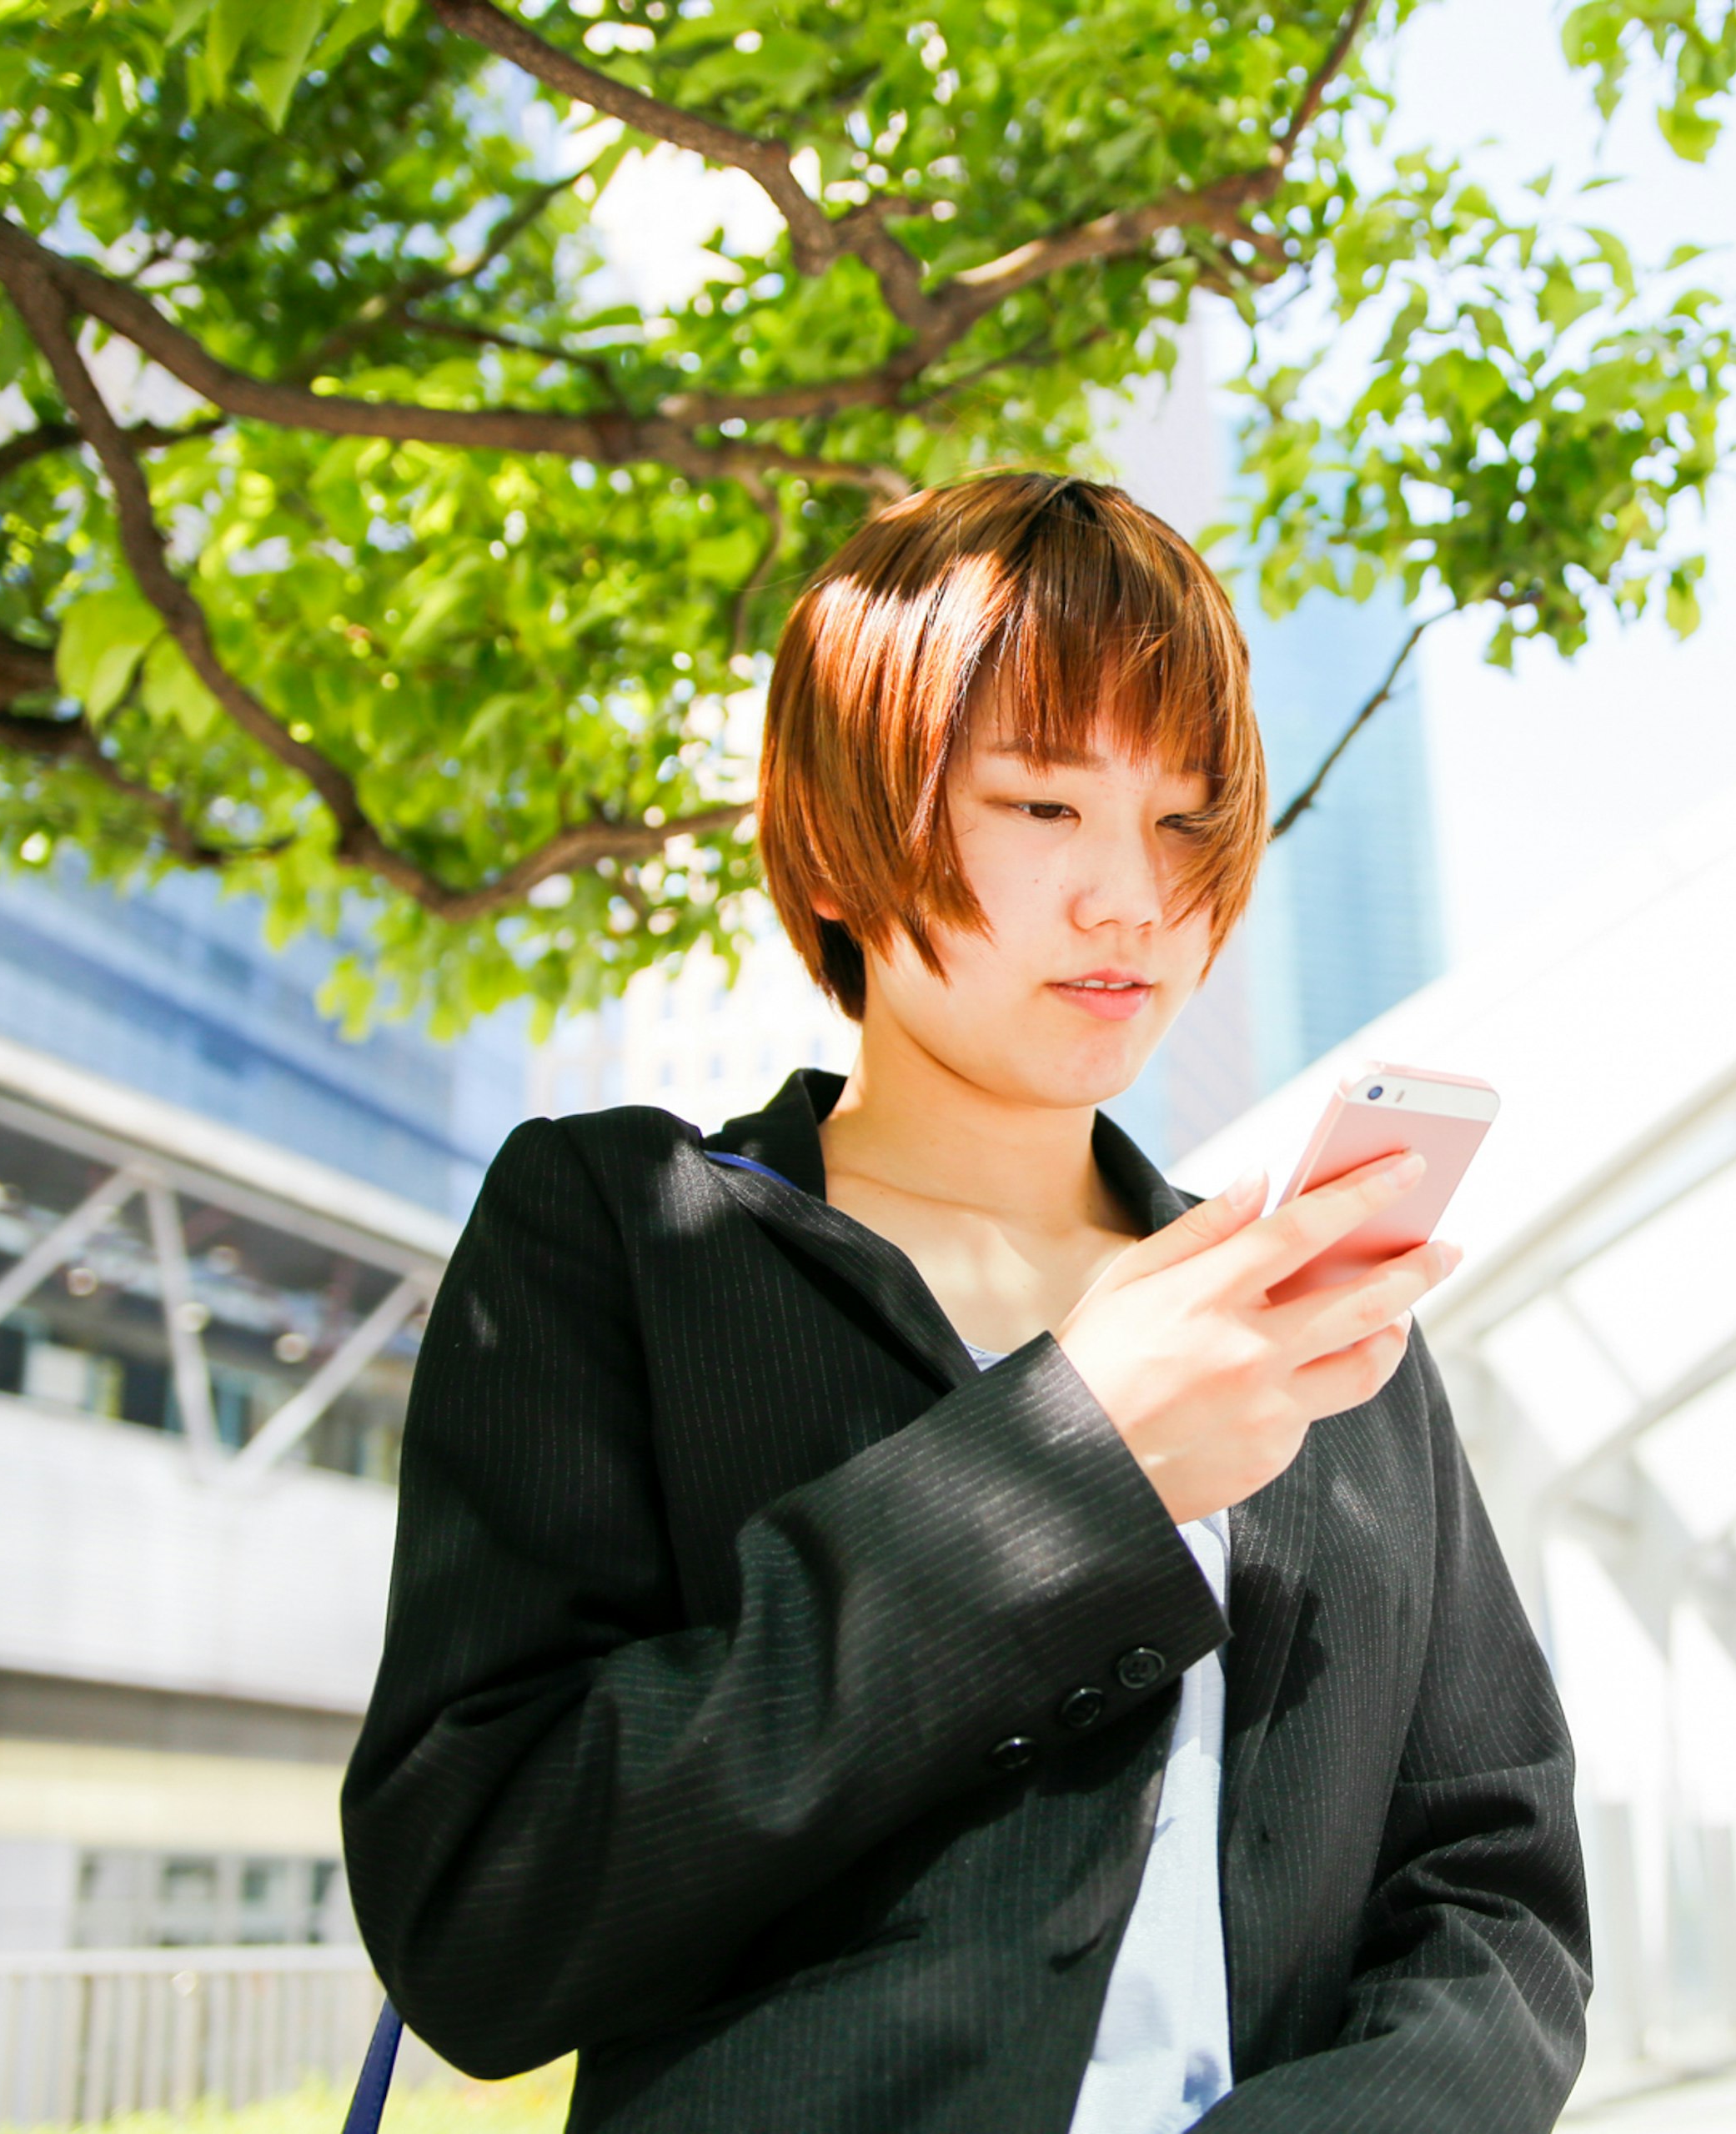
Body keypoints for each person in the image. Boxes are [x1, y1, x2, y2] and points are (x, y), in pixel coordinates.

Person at [339, 474, 1588, 2132]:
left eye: (1182, 817)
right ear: (846, 831)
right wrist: (1070, 1471)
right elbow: (479, 1911)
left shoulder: (1303, 1314)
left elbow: (1499, 1898)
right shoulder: (626, 1234)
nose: (1132, 899)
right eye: (1043, 806)